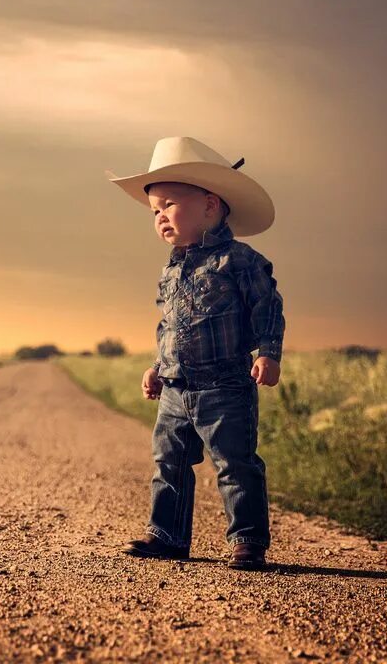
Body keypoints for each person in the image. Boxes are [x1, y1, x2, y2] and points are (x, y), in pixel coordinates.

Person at [104, 136, 286, 570]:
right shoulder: (170, 270)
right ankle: (167, 535)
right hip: (176, 388)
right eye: (154, 212)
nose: (160, 216)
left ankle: (247, 540)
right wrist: (156, 367)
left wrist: (268, 352)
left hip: (225, 386)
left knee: (235, 463)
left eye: (168, 204)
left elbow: (268, 307)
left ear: (209, 205)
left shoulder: (239, 261)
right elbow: (170, 325)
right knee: (168, 461)